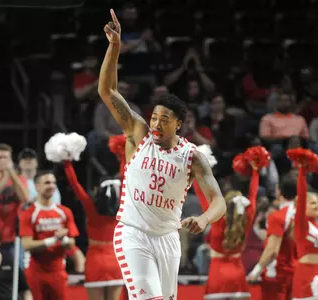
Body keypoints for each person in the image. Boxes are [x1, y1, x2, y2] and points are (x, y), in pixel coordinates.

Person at [98, 10, 226, 300]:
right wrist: (114, 47)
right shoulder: (138, 133)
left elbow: (218, 200)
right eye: (154, 117)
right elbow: (107, 91)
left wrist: (205, 219)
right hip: (133, 233)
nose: (156, 123)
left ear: (178, 124)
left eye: (164, 120)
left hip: (168, 239)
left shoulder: (192, 157)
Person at [193, 152, 260, 300]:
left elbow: (202, 195)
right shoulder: (245, 221)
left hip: (218, 274)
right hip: (238, 274)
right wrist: (256, 171)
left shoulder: (216, 220)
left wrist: (197, 172)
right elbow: (253, 197)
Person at [63, 158, 123, 300]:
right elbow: (125, 177)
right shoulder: (121, 207)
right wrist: (123, 155)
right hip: (115, 260)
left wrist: (67, 163)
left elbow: (75, 184)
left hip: (95, 261)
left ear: (98, 190)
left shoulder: (90, 207)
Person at [19, 170, 80, 300]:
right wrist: (54, 240)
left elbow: (71, 245)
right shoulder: (29, 213)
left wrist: (64, 239)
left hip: (58, 271)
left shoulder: (65, 212)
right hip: (36, 272)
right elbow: (27, 245)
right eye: (47, 182)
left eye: (54, 183)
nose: (51, 186)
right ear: (37, 186)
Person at [247, 174, 297, 300]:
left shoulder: (278, 217)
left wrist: (256, 270)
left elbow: (273, 250)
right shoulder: (304, 214)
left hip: (278, 274)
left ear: (278, 191)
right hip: (298, 272)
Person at [289, 154, 318, 300]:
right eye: (313, 203)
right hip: (305, 275)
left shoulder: (316, 225)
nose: (317, 205)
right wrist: (302, 172)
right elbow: (301, 195)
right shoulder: (301, 224)